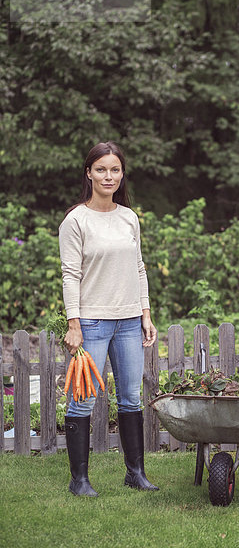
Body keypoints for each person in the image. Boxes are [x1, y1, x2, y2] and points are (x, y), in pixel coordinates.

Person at [59, 140, 159, 497]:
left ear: (121, 174)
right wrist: (74, 324)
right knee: (82, 401)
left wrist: (145, 312)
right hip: (93, 323)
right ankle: (79, 480)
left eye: (115, 169)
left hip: (130, 321)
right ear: (89, 173)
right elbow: (71, 274)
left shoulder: (128, 216)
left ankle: (136, 473)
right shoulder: (76, 221)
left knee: (131, 399)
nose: (108, 176)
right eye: (101, 169)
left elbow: (138, 267)